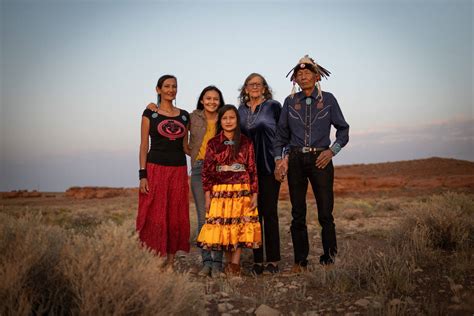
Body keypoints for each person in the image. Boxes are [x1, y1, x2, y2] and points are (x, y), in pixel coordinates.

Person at [274, 55, 349, 272]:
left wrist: (331, 151)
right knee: (298, 212)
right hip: (296, 159)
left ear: (317, 76)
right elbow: (281, 135)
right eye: (299, 73)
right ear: (295, 79)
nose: (303, 76)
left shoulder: (329, 99)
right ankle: (300, 261)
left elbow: (343, 129)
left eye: (308, 73)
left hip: (321, 160)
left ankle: (329, 260)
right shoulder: (290, 102)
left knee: (325, 212)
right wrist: (280, 160)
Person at [147, 86, 226, 277]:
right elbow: (177, 127)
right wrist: (153, 107)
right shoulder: (191, 117)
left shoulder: (225, 116)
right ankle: (206, 261)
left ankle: (218, 263)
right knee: (203, 217)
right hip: (199, 170)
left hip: (221, 171)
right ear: (202, 100)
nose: (212, 102)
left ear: (220, 101)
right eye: (208, 98)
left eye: (215, 99)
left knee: (220, 216)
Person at [197, 104, 261, 276]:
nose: (228, 121)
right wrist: (208, 195)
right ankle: (227, 262)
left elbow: (252, 169)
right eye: (225, 118)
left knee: (239, 225)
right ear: (220, 121)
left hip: (242, 189)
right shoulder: (213, 143)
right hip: (220, 190)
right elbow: (207, 172)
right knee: (224, 226)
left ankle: (235, 265)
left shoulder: (246, 142)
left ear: (237, 120)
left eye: (232, 117)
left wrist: (254, 193)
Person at [137, 74, 190, 269]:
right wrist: (142, 175)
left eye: (174, 86)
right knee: (154, 213)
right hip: (155, 168)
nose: (171, 90)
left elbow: (186, 147)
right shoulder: (150, 114)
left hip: (179, 169)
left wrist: (207, 152)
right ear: (158, 89)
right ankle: (154, 259)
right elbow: (143, 146)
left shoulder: (185, 116)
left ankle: (170, 261)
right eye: (166, 86)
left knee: (175, 214)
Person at [238, 73, 282, 275]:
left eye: (258, 84)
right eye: (251, 84)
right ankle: (257, 261)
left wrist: (283, 160)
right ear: (245, 89)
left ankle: (273, 260)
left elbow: (284, 134)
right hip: (247, 171)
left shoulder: (274, 106)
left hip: (270, 166)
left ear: (264, 88)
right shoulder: (240, 111)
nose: (254, 87)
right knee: (253, 216)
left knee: (270, 213)